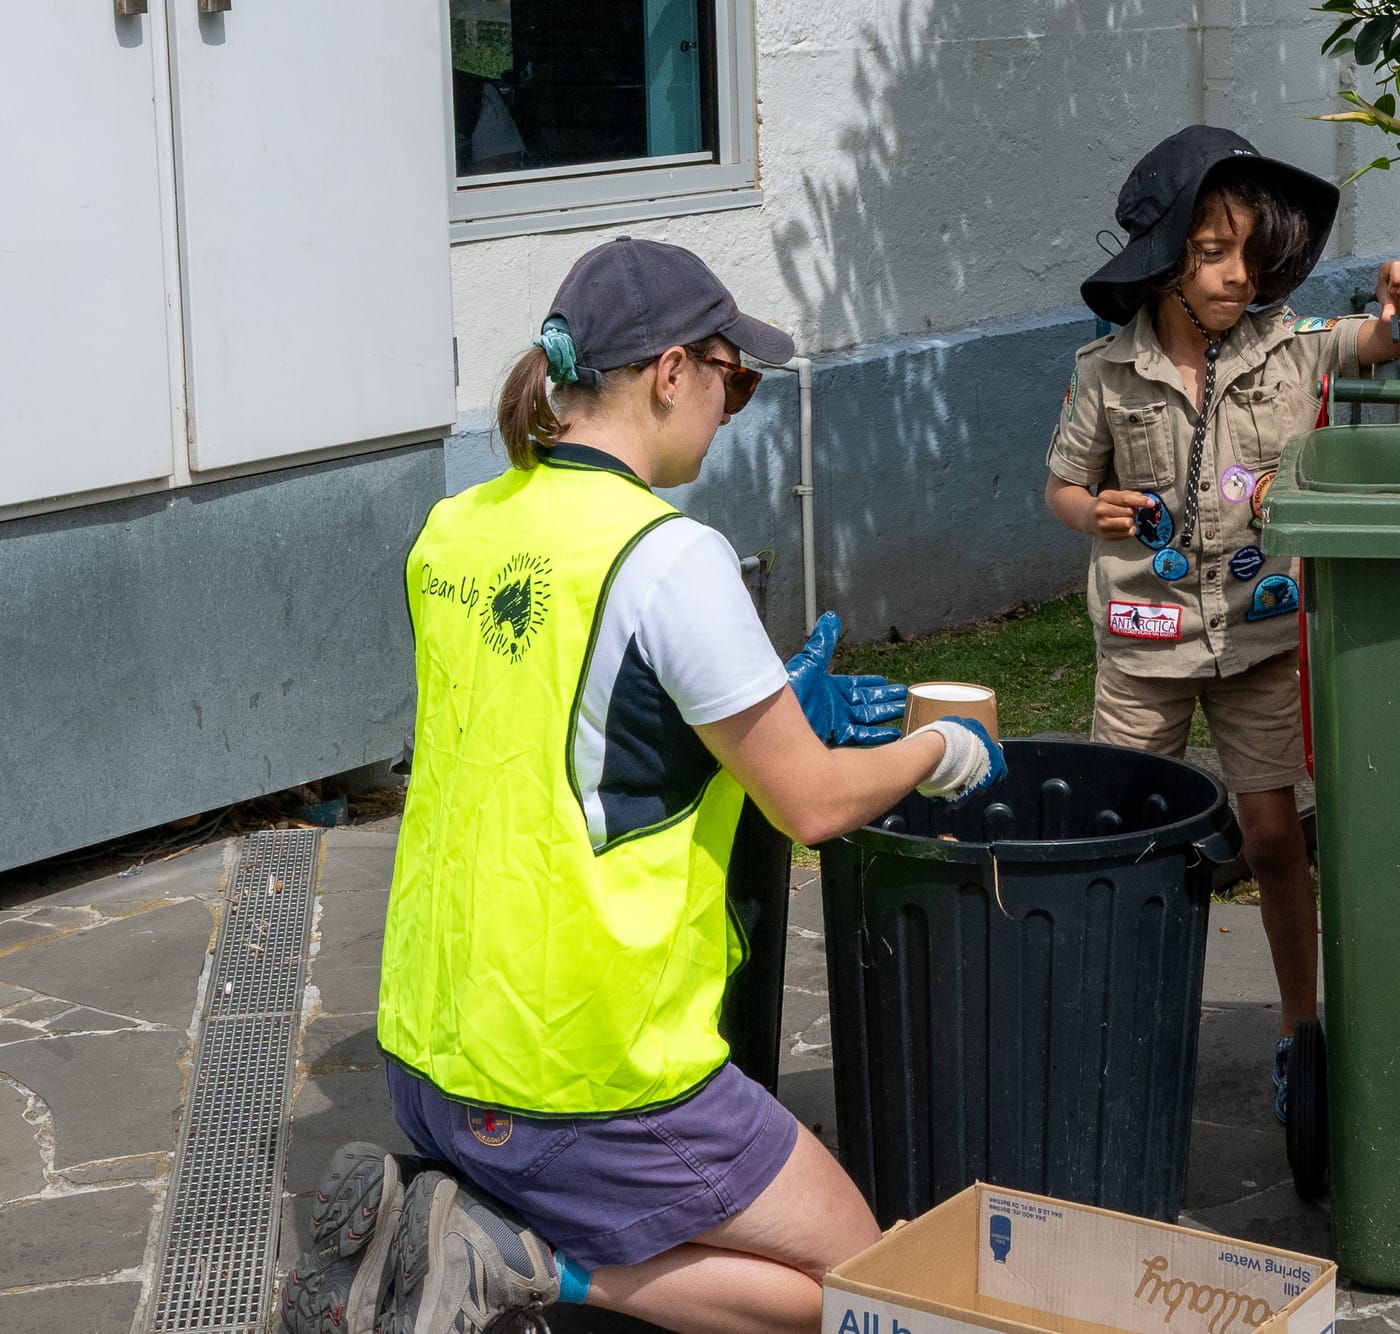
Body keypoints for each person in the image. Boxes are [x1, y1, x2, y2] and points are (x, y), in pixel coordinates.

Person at [280, 238, 1006, 1334]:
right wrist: (939, 750)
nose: (733, 409)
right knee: (870, 1286)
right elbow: (805, 805)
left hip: (431, 1046)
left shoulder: (452, 532)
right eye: (734, 380)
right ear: (672, 371)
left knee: (715, 1226)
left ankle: (451, 1219)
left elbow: (560, 733)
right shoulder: (667, 556)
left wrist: (750, 707)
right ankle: (508, 1263)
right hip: (582, 1065)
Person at [1043, 125, 1400, 1123]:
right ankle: (1113, 1029)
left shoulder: (1291, 350)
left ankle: (1299, 1030)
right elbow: (1061, 485)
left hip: (1257, 641)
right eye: (1210, 251)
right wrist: (1095, 511)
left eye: (1248, 252)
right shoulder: (1104, 372)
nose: (1233, 275)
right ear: (1162, 260)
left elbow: (1381, 343)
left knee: (1270, 838)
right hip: (1142, 646)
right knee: (1119, 841)